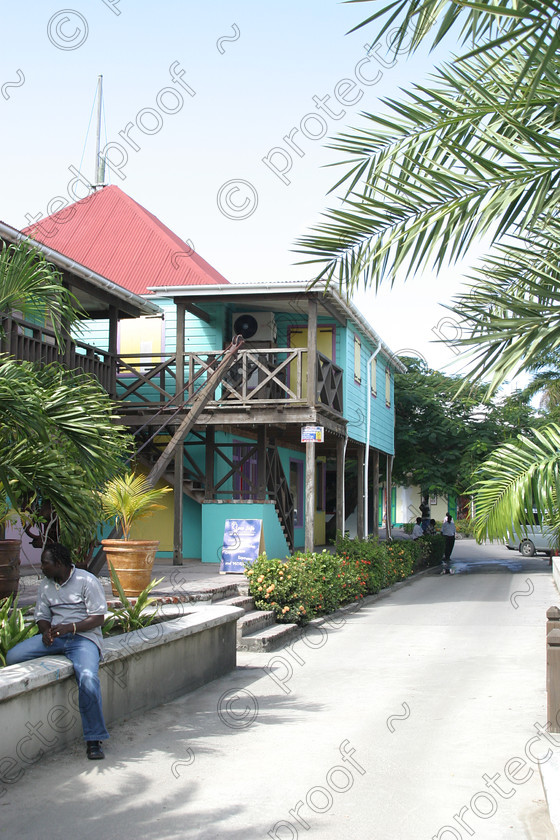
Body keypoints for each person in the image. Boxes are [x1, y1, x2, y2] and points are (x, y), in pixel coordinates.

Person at [6, 543, 109, 760]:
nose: (41, 567)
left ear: (59, 564)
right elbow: (42, 616)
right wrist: (46, 632)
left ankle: (94, 739)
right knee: (13, 656)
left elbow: (99, 618)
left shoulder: (86, 581)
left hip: (83, 639)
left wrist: (70, 627)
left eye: (45, 563)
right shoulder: (46, 584)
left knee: (88, 678)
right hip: (56, 639)